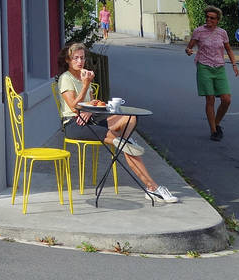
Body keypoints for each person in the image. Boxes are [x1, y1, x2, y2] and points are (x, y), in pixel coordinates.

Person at [56, 42, 179, 203]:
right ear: (68, 60)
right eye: (75, 58)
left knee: (130, 118)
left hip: (90, 120)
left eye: (82, 58)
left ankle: (124, 142)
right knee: (124, 145)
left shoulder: (84, 75)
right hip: (74, 125)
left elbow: (92, 103)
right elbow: (73, 106)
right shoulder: (66, 78)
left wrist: (89, 107)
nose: (80, 61)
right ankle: (152, 187)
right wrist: (86, 86)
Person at [185, 5, 239, 141]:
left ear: (217, 20)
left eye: (212, 18)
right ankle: (214, 131)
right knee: (210, 98)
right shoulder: (198, 31)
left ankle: (216, 122)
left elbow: (229, 49)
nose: (209, 20)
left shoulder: (222, 33)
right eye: (207, 17)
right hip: (204, 66)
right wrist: (188, 51)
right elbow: (189, 47)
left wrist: (234, 64)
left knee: (226, 99)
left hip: (219, 68)